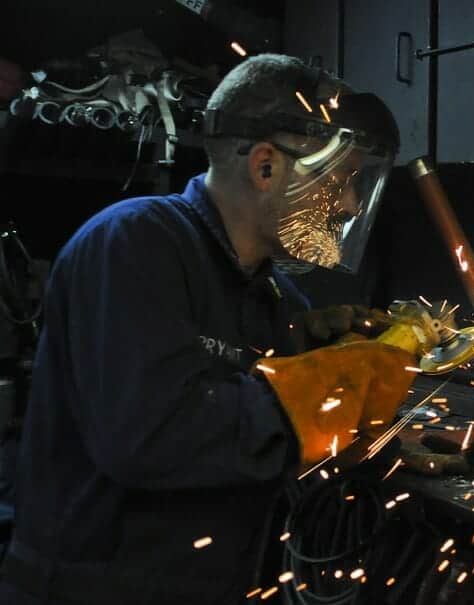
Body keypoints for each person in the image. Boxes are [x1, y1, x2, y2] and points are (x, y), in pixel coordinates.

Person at [0, 54, 415, 604]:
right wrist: (312, 390)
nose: (347, 204)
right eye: (340, 180)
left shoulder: (277, 296)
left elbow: (247, 406)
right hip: (92, 586)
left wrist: (325, 353)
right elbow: (149, 436)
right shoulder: (133, 243)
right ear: (266, 166)